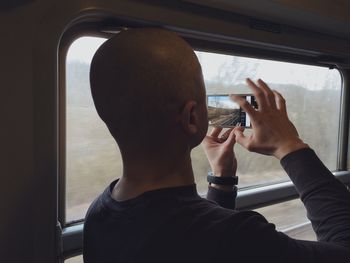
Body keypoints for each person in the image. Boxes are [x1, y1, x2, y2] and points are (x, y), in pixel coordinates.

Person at [83, 28, 350, 263]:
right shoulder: (239, 237)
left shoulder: (98, 215)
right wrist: (290, 146)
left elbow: (195, 238)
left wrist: (221, 182)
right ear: (191, 117)